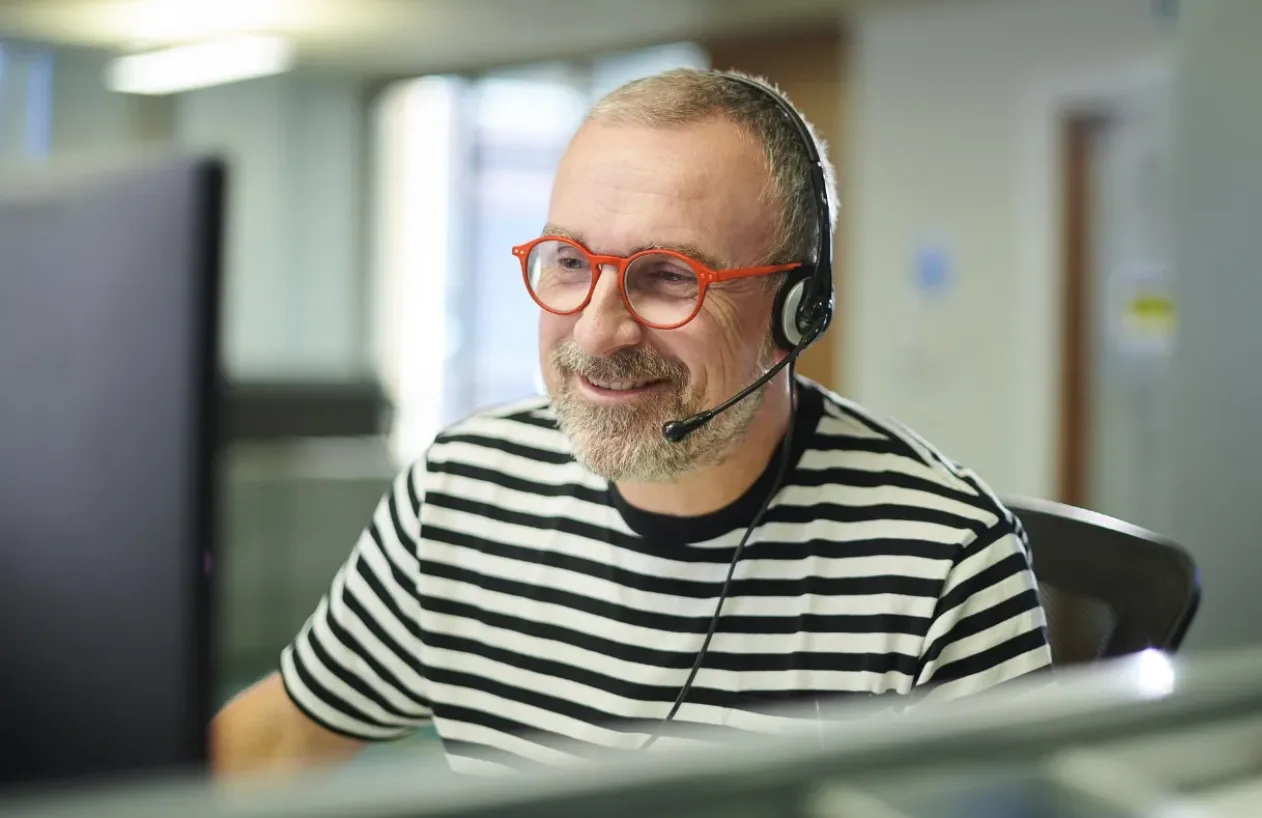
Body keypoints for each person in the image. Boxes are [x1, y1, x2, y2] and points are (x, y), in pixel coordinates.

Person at [211, 68, 1052, 777]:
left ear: (798, 309)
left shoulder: (944, 564)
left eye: (665, 276)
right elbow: (284, 736)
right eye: (571, 262)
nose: (595, 331)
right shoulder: (463, 487)